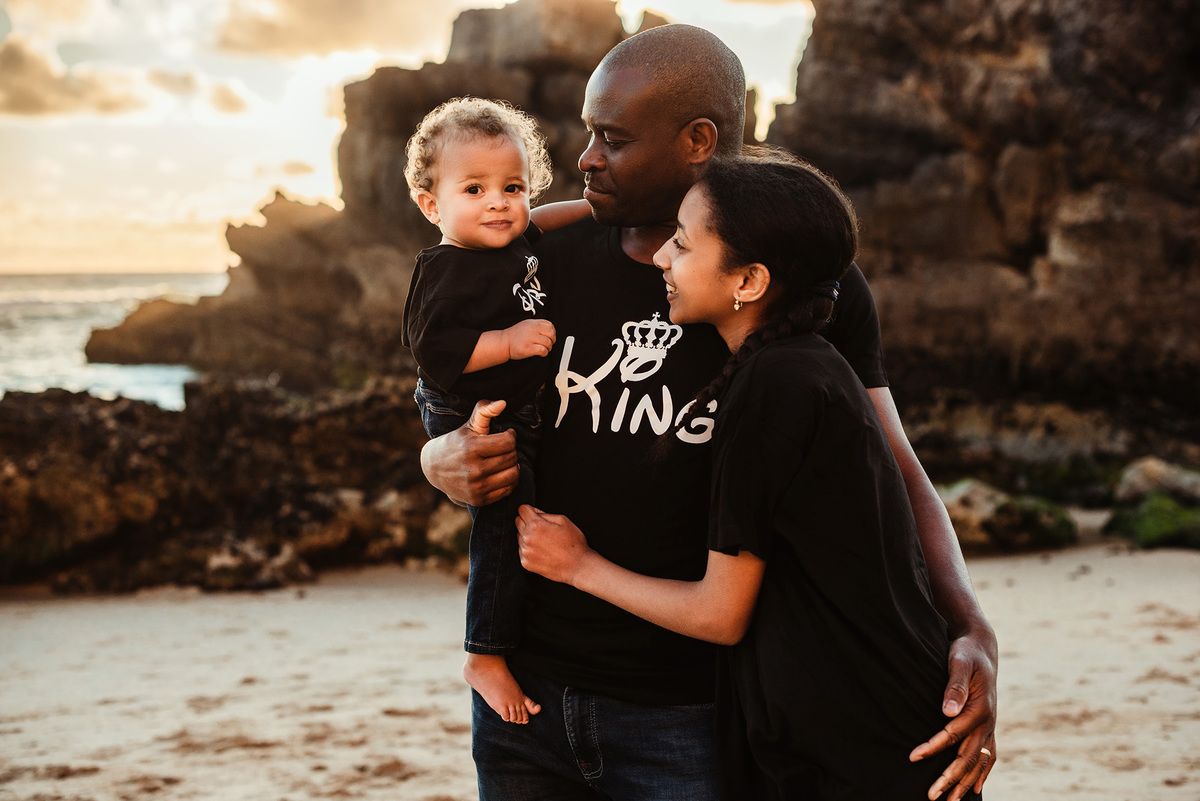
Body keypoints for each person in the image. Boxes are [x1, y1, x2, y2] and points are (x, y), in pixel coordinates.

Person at [419, 24, 997, 801]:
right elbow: (448, 373)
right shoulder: (536, 262)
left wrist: (972, 625)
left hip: (693, 710)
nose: (586, 156)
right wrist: (436, 458)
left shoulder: (796, 284)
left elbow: (894, 465)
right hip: (524, 700)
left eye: (612, 138)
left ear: (699, 140)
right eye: (590, 134)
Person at [518, 151, 985, 800]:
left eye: (682, 244)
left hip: (854, 741)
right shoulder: (809, 368)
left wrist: (576, 565)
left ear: (750, 280)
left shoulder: (773, 388)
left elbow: (721, 613)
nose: (662, 259)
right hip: (879, 713)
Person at [401, 97, 590, 725]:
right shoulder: (448, 267)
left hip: (516, 409)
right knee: (503, 529)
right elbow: (436, 351)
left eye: (514, 187)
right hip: (469, 411)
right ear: (432, 204)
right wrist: (508, 344)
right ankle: (484, 654)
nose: (498, 202)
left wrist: (598, 206)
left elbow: (546, 222)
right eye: (475, 188)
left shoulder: (511, 242)